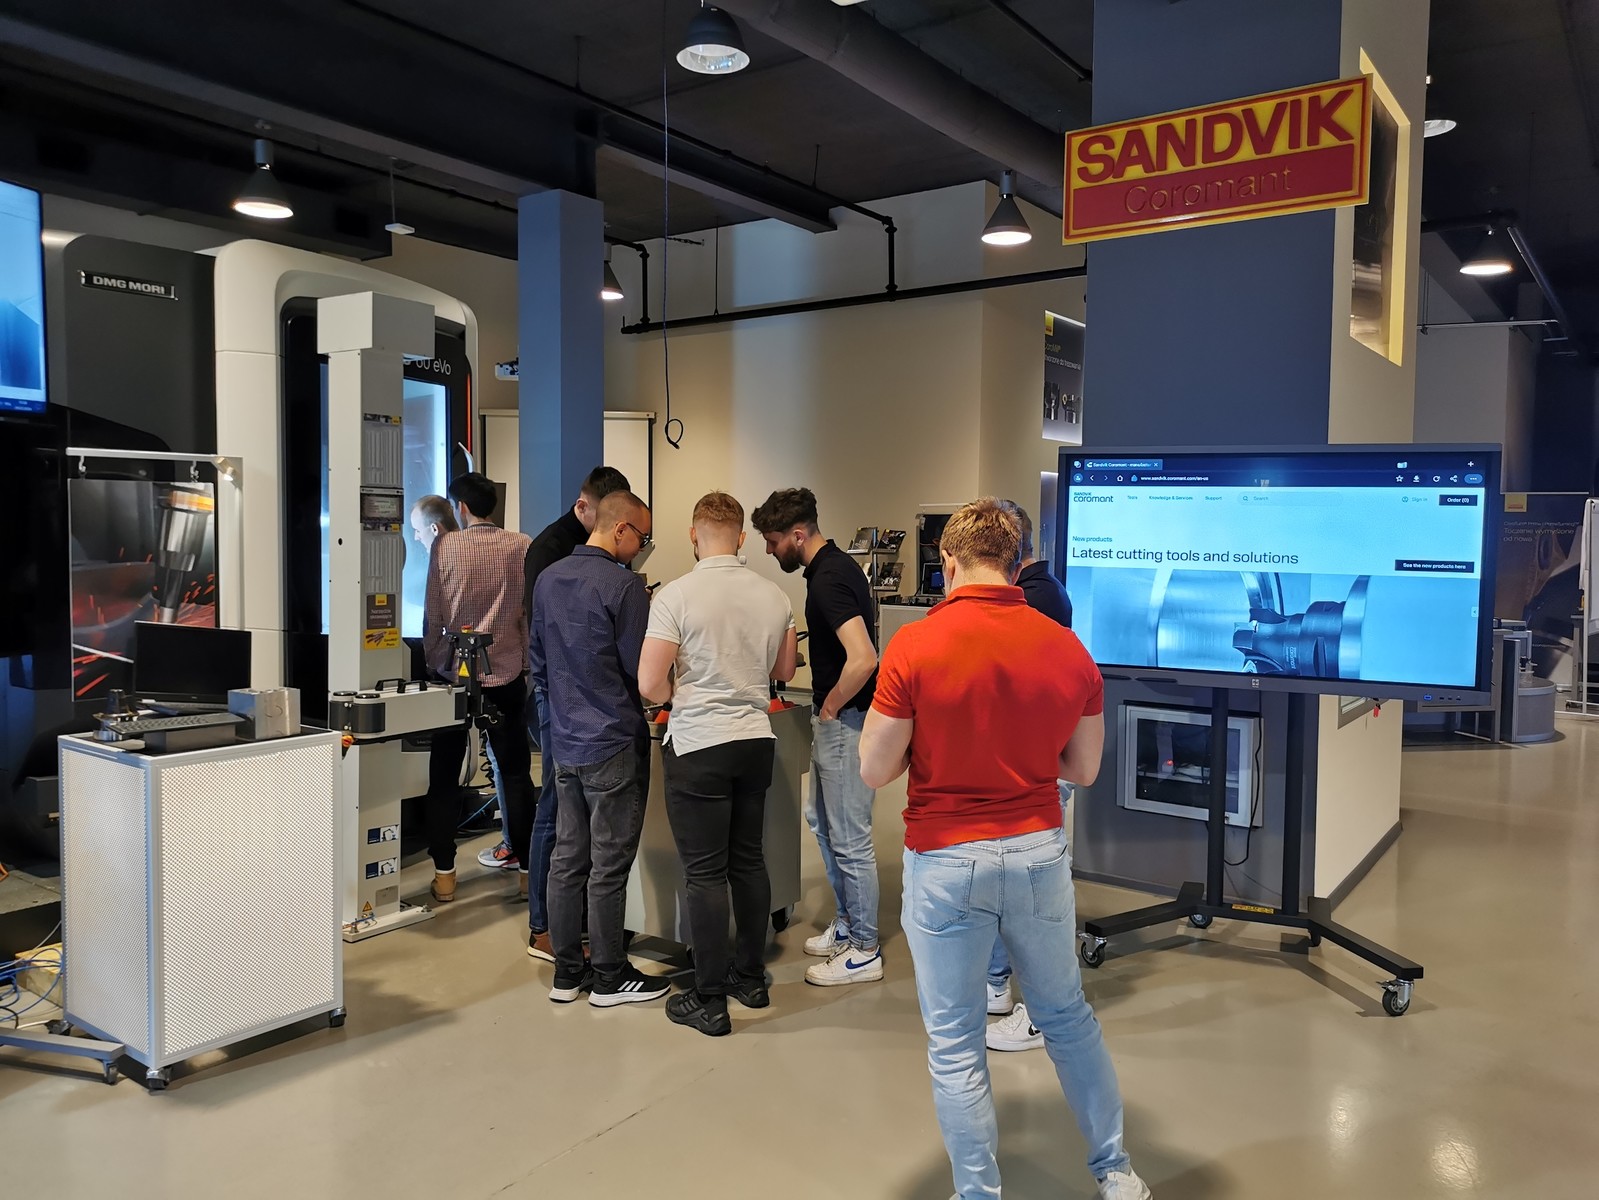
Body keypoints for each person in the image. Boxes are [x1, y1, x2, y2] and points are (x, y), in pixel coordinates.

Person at [858, 498, 1151, 1200]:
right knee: (1067, 1019)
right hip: (1037, 855)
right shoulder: (1068, 649)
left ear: (947, 563)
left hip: (944, 859)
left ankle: (977, 1194)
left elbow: (873, 767)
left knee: (956, 1042)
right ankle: (1116, 1173)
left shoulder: (914, 646)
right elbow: (1083, 769)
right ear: (1018, 567)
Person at [638, 492, 799, 1036]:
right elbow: (784, 669)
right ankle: (749, 979)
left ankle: (708, 999)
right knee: (748, 861)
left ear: (693, 534)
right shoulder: (774, 595)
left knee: (704, 873)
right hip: (754, 740)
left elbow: (649, 682)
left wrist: (678, 697)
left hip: (699, 743)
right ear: (742, 537)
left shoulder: (676, 596)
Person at [530, 490, 668, 1008]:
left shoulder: (548, 579)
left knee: (568, 859)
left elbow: (538, 663)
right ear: (620, 529)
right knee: (609, 866)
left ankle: (567, 974)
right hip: (613, 741)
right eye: (643, 538)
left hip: (565, 742)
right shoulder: (624, 586)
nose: (642, 548)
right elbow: (642, 672)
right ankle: (610, 976)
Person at [751, 487, 883, 987]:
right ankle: (848, 923)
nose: (769, 550)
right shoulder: (835, 569)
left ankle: (865, 948)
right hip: (840, 721)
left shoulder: (828, 579)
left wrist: (830, 705)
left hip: (845, 722)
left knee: (849, 838)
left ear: (798, 534)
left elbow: (864, 657)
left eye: (773, 541)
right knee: (823, 824)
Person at [515, 467, 631, 965]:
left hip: (580, 701)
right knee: (556, 814)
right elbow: (544, 638)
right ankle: (543, 928)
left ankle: (579, 933)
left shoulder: (601, 560)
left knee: (577, 829)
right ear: (586, 508)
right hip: (563, 701)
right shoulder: (548, 553)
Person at [420, 474, 536, 907]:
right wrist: (525, 664)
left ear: (463, 508)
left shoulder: (444, 546)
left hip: (455, 675)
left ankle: (445, 877)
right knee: (516, 774)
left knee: (444, 777)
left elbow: (434, 614)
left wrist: (438, 662)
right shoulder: (521, 545)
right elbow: (526, 614)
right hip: (506, 675)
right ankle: (526, 874)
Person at [985, 499, 1075, 1049]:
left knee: (1035, 898)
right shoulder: (1041, 592)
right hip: (1030, 767)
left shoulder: (1034, 599)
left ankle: (1043, 1013)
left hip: (1040, 772)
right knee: (1011, 891)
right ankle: (996, 983)